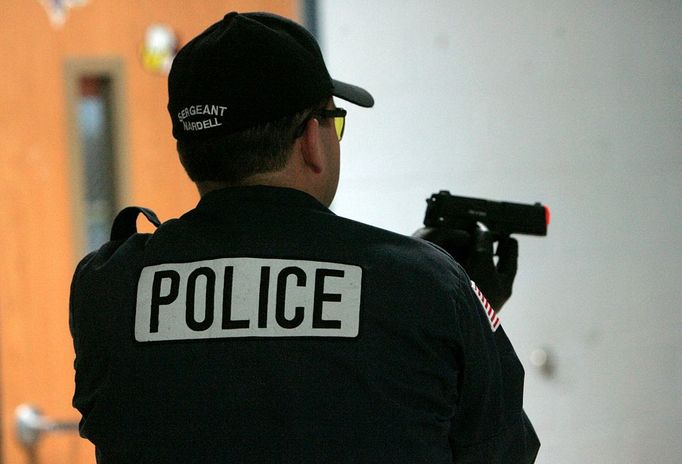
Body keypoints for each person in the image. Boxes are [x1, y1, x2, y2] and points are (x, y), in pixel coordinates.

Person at [69, 11, 539, 463]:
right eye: (334, 120)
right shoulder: (428, 287)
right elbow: (499, 450)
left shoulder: (107, 289)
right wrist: (471, 303)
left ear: (189, 150)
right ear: (312, 139)